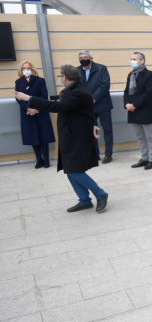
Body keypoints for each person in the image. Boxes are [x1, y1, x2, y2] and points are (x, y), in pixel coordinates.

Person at [15, 65, 108, 213]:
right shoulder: (74, 89)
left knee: (74, 170)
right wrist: (93, 124)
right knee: (70, 168)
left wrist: (29, 98)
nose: (59, 78)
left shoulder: (78, 92)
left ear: (64, 78)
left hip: (77, 136)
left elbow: (57, 107)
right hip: (71, 135)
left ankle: (100, 194)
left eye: (60, 76)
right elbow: (85, 111)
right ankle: (84, 200)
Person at [14, 61, 55, 169]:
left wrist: (35, 108)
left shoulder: (40, 81)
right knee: (33, 137)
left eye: (28, 68)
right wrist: (28, 108)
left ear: (32, 69)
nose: (26, 70)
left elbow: (44, 96)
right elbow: (18, 98)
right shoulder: (18, 82)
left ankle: (46, 160)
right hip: (27, 113)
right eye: (24, 68)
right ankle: (38, 160)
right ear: (21, 70)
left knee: (43, 137)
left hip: (41, 112)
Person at [123, 51, 152, 170]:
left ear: (142, 61)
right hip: (132, 111)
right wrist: (127, 104)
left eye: (134, 59)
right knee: (140, 137)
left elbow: (148, 93)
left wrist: (134, 104)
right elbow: (126, 91)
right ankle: (144, 158)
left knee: (151, 137)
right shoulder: (131, 74)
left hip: (144, 110)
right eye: (131, 59)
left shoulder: (149, 75)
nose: (132, 61)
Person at [77, 50, 113, 163]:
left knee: (107, 129)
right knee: (91, 130)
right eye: (81, 57)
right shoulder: (76, 71)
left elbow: (105, 85)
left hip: (103, 104)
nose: (83, 59)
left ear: (91, 58)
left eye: (85, 57)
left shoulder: (101, 68)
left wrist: (93, 98)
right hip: (87, 106)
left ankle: (108, 154)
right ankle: (95, 154)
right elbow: (76, 86)